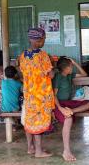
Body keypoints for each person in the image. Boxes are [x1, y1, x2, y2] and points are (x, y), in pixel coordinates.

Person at [18, 28, 54, 158]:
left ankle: (30, 148)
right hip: (41, 96)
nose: (44, 41)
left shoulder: (22, 55)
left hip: (29, 95)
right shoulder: (43, 55)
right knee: (38, 123)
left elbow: (22, 72)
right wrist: (52, 65)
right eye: (44, 39)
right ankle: (39, 152)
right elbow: (51, 74)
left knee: (30, 121)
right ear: (40, 40)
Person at [53, 57, 89, 161]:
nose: (72, 67)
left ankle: (72, 111)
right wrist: (60, 108)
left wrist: (74, 63)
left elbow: (84, 74)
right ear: (65, 68)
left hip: (68, 104)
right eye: (71, 66)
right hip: (59, 104)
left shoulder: (69, 75)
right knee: (68, 119)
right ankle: (66, 151)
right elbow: (53, 95)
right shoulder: (58, 77)